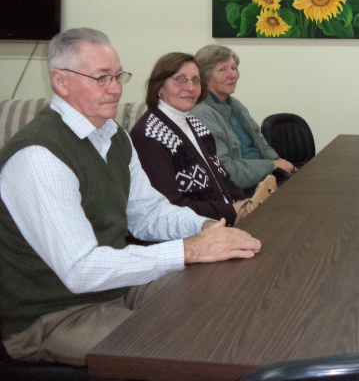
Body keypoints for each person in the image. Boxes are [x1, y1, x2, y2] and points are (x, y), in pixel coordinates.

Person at [0, 29, 261, 366]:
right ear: (61, 82)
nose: (116, 88)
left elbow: (148, 213)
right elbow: (81, 269)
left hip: (115, 287)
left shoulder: (113, 136)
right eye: (101, 78)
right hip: (53, 313)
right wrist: (190, 249)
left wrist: (211, 227)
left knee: (222, 302)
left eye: (118, 75)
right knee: (189, 345)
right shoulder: (39, 155)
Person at [131, 52, 274, 224]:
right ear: (159, 86)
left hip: (225, 220)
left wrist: (244, 203)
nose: (190, 88)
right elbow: (169, 206)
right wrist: (230, 210)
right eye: (180, 79)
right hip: (193, 233)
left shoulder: (195, 124)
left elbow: (223, 179)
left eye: (195, 80)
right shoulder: (150, 136)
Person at [192, 45, 293, 194]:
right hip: (240, 192)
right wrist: (272, 165)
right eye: (222, 69)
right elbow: (227, 173)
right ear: (204, 76)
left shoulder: (236, 105)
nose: (232, 75)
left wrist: (281, 166)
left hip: (265, 180)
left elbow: (261, 144)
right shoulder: (201, 114)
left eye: (234, 68)